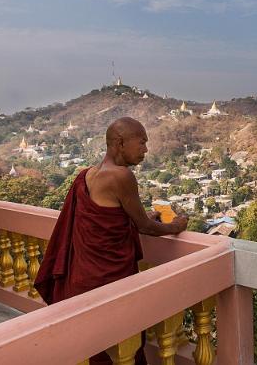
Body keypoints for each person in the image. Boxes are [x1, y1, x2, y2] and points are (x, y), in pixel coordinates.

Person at [34, 117, 187, 365]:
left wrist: (144, 217)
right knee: (118, 346)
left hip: (81, 278)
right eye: (142, 142)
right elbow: (144, 227)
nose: (146, 149)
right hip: (107, 281)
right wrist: (175, 226)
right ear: (120, 142)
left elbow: (117, 216)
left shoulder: (88, 175)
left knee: (91, 346)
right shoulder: (121, 176)